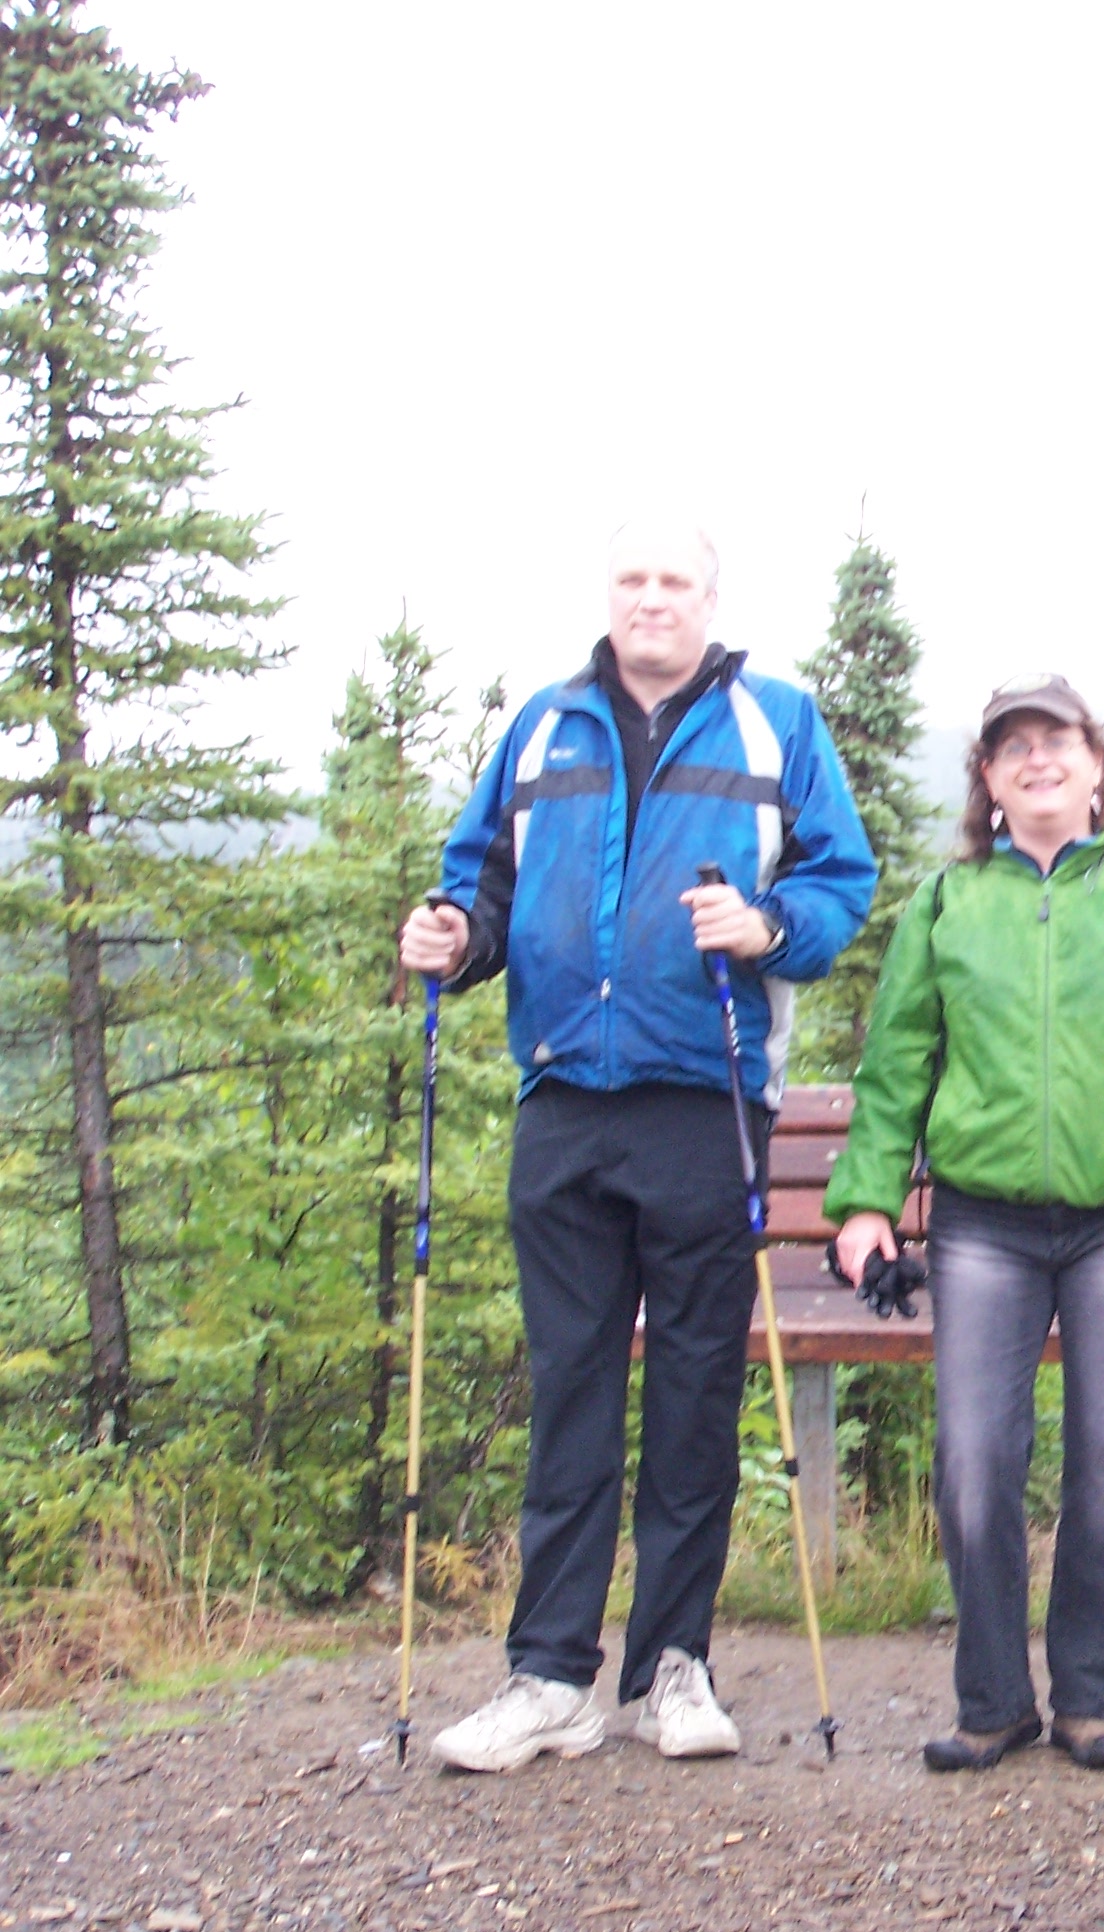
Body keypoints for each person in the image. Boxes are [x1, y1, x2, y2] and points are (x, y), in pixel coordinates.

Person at [400, 520, 878, 1773]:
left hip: (707, 1097)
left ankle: (675, 1667)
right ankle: (548, 1677)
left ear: (710, 601)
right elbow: (481, 883)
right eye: (632, 578)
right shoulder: (542, 726)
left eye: (674, 580)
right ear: (608, 596)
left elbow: (841, 881)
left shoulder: (777, 722)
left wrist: (766, 925)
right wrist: (453, 932)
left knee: (694, 1394)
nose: (651, 598)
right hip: (563, 1096)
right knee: (569, 1393)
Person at [825, 673, 1104, 1774]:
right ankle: (992, 1704)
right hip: (982, 1223)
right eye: (1012, 746)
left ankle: (1091, 1702)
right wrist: (868, 1201)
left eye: (1056, 740)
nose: (1037, 759)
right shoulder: (946, 903)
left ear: (1095, 765)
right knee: (975, 1465)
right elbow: (895, 1067)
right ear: (986, 777)